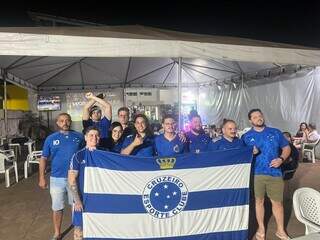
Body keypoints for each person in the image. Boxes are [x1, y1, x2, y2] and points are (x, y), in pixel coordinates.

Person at [242, 109, 291, 240]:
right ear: (250, 120)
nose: (259, 118)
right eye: (255, 117)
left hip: (275, 173)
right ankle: (261, 228)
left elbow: (287, 148)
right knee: (259, 202)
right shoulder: (246, 137)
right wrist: (249, 153)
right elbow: (240, 156)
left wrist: (281, 159)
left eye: (260, 115)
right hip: (256, 174)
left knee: (278, 203)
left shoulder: (275, 132)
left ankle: (280, 230)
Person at [39, 113, 84, 240]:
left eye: (67, 120)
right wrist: (41, 178)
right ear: (58, 123)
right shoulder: (51, 138)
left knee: (76, 206)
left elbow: (85, 154)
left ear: (70, 122)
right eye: (62, 121)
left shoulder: (79, 137)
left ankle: (77, 231)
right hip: (56, 179)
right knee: (57, 207)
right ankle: (57, 233)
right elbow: (43, 159)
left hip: (74, 179)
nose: (65, 123)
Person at [68, 126, 102, 240]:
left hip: (98, 199)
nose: (94, 138)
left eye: (97, 135)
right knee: (79, 229)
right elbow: (71, 180)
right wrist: (77, 200)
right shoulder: (78, 155)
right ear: (86, 137)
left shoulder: (105, 154)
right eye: (91, 135)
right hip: (82, 199)